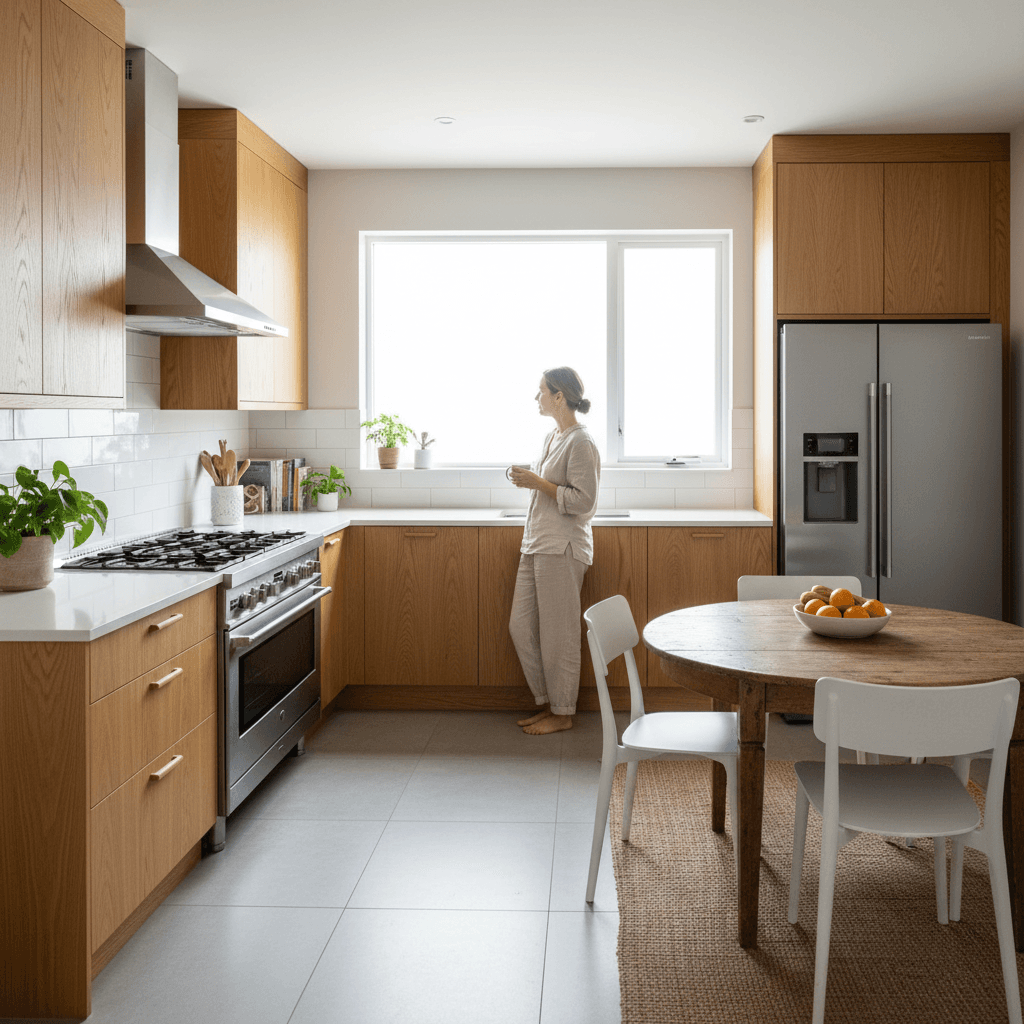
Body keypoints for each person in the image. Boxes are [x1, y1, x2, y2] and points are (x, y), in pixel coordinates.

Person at [508, 367, 601, 735]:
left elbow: (584, 502)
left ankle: (562, 713)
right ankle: (550, 703)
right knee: (520, 626)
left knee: (559, 635)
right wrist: (529, 479)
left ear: (559, 396)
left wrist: (537, 483)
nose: (537, 397)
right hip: (537, 543)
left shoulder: (581, 442)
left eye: (542, 391)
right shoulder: (553, 437)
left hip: (562, 547)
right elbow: (548, 486)